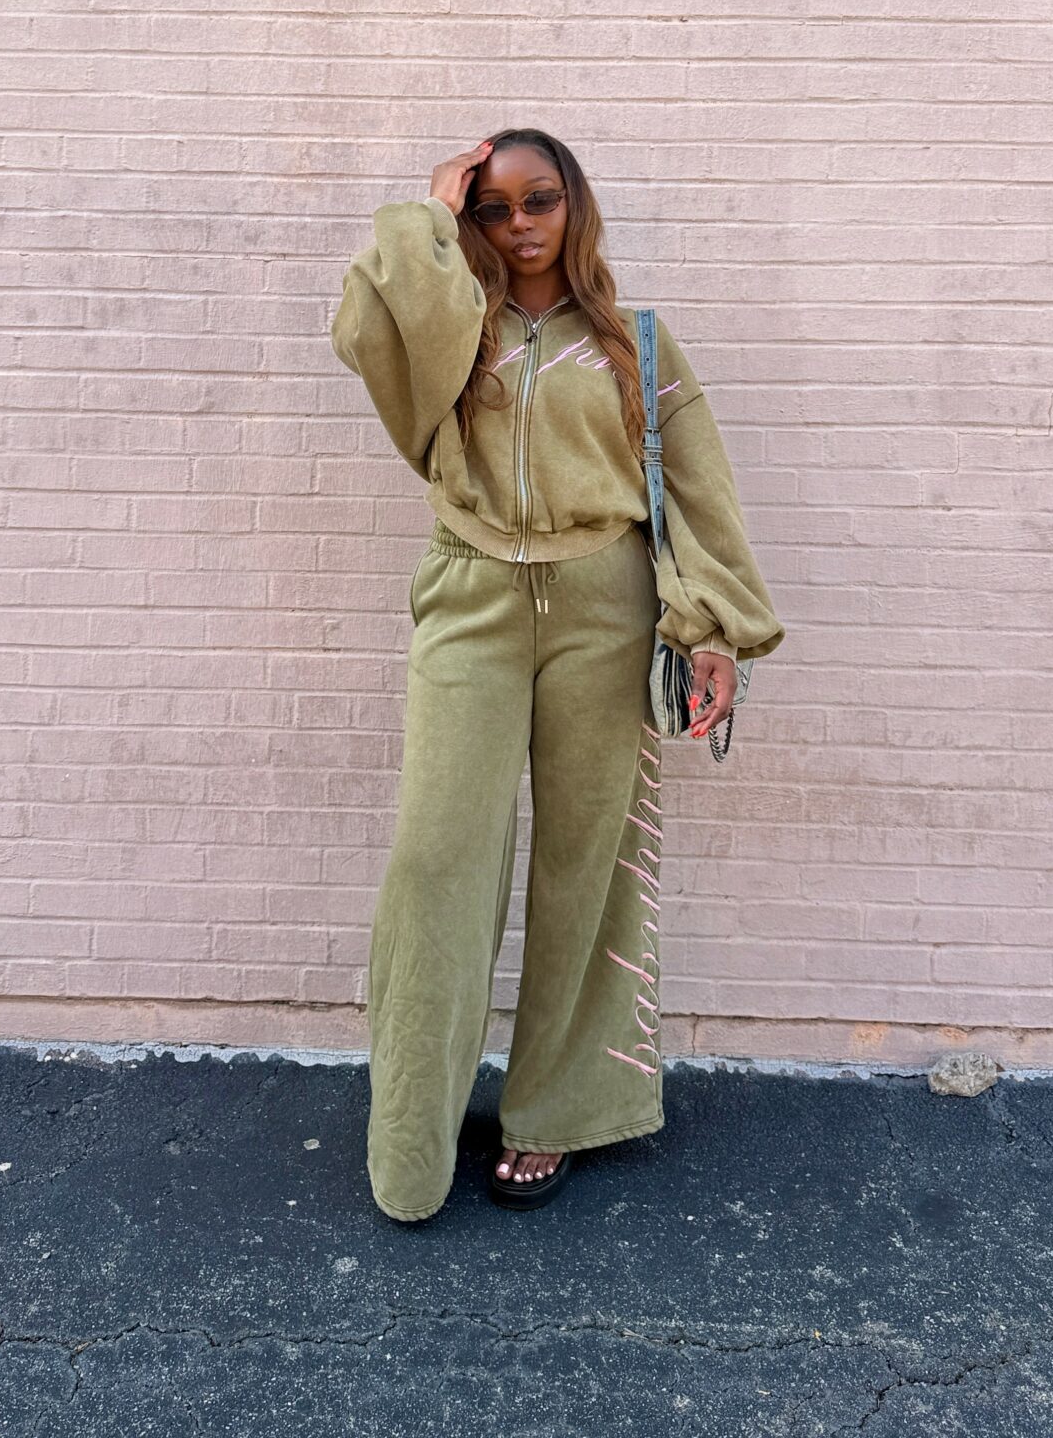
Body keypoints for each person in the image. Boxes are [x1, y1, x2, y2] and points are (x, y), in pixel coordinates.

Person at [330, 127, 786, 1221]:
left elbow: (700, 492)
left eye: (541, 199)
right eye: (495, 206)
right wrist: (428, 216)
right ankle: (411, 1134)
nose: (521, 222)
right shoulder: (453, 327)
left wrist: (710, 628)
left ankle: (556, 1112)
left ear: (575, 207)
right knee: (440, 855)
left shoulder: (637, 339)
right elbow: (364, 330)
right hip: (472, 596)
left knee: (589, 862)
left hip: (603, 604)